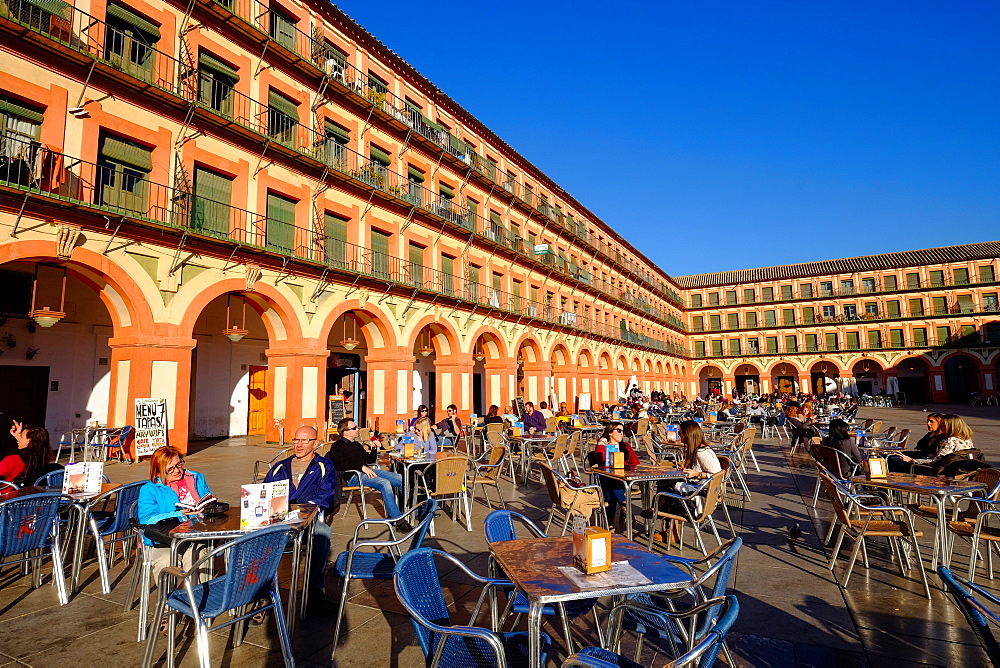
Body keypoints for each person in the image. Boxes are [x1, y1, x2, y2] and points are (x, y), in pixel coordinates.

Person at [263, 426, 336, 609]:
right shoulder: (280, 467)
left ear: (316, 443)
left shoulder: (324, 466)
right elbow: (264, 493)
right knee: (255, 538)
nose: (299, 444)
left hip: (307, 519)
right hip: (279, 518)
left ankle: (314, 591)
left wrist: (305, 511)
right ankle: (260, 593)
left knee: (323, 533)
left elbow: (326, 494)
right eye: (296, 440)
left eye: (304, 440)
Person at [137, 446, 213, 585]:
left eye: (179, 464)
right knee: (165, 562)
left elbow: (207, 499)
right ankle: (166, 602)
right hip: (165, 539)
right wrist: (179, 513)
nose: (177, 470)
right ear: (159, 469)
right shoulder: (150, 489)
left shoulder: (196, 478)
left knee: (196, 555)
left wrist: (208, 506)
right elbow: (146, 519)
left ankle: (196, 600)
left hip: (198, 534)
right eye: (170, 469)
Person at [325, 418, 407, 524]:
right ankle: (398, 520)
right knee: (384, 483)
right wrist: (361, 467)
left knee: (400, 479)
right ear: (345, 432)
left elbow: (369, 460)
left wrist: (374, 448)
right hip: (352, 476)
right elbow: (338, 464)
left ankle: (406, 510)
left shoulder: (356, 445)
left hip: (367, 471)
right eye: (354, 428)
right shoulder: (337, 446)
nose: (358, 429)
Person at [586, 421, 640, 528]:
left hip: (624, 479)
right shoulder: (603, 446)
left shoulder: (625, 446)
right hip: (607, 478)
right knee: (609, 480)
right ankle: (624, 506)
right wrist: (602, 444)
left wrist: (626, 469)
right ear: (610, 432)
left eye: (623, 431)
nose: (622, 434)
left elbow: (635, 462)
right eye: (619, 431)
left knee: (610, 486)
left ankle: (610, 521)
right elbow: (599, 459)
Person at [897, 414, 975, 470]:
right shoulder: (967, 440)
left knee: (897, 466)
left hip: (942, 473)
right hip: (959, 471)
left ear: (951, 427)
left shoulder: (949, 441)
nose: (940, 427)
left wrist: (912, 460)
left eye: (943, 425)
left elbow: (937, 462)